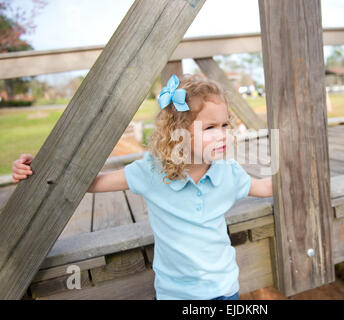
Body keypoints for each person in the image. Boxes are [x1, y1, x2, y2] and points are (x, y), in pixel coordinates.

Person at [11, 74, 273, 300]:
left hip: (224, 288)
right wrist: (40, 168)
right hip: (175, 293)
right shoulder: (152, 171)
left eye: (225, 125)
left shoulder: (229, 172)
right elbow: (92, 182)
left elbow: (262, 187)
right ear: (178, 132)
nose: (223, 135)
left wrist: (297, 166)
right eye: (211, 128)